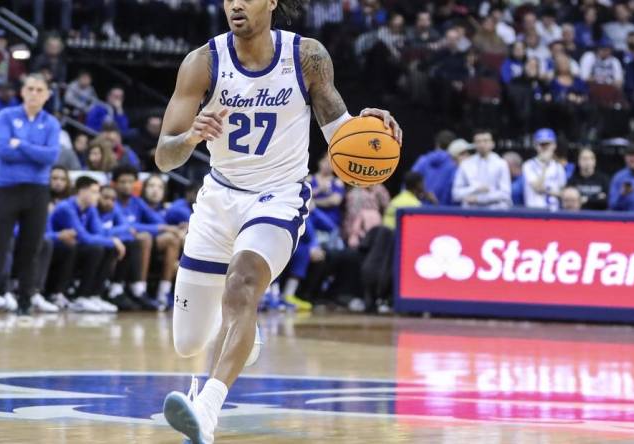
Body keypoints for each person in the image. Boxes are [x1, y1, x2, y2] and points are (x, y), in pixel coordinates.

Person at [155, 1, 402, 442]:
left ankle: (207, 410)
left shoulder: (307, 56)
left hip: (279, 196)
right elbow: (164, 156)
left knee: (242, 283)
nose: (235, 4)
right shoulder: (202, 62)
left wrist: (368, 130)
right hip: (218, 199)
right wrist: (192, 134)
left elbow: (339, 132)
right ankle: (245, 333)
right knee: (188, 342)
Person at [0, 74, 61, 316]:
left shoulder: (52, 123)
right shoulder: (6, 116)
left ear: (47, 95)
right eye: (30, 88)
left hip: (37, 191)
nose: (34, 93)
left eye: (39, 90)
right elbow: (2, 149)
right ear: (22, 92)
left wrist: (21, 145)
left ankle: (25, 301)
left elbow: (51, 157)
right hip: (5, 188)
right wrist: (34, 151)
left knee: (31, 248)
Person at [47, 176, 125, 313]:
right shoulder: (66, 208)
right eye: (94, 192)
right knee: (97, 249)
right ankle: (78, 296)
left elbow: (99, 233)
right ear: (82, 191)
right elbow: (83, 238)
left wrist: (112, 242)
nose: (98, 196)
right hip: (56, 249)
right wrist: (113, 241)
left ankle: (94, 295)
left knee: (108, 249)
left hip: (75, 248)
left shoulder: (90, 209)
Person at [112, 165, 182, 310]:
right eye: (123, 182)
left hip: (139, 242)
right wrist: (160, 228)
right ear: (115, 184)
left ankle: (163, 293)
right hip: (118, 240)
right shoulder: (111, 200)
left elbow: (158, 222)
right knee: (144, 237)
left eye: (130, 182)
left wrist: (172, 229)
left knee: (171, 238)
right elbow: (128, 226)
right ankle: (139, 288)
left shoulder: (136, 201)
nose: (127, 186)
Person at [451, 130, 511, 209]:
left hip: (496, 211)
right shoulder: (466, 164)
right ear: (474, 144)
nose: (482, 144)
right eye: (478, 141)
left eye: (485, 141)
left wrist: (479, 199)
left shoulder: (501, 164)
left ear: (492, 144)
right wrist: (475, 189)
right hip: (471, 212)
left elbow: (505, 194)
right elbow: (455, 194)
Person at [523, 128, 567, 211]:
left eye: (548, 144)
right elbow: (538, 187)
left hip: (555, 212)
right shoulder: (528, 165)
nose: (545, 147)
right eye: (542, 144)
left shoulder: (558, 167)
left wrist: (546, 190)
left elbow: (563, 193)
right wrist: (545, 165)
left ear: (554, 145)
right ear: (536, 146)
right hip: (534, 211)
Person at [411, 129, 457, 205]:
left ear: (437, 144)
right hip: (447, 212)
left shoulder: (422, 160)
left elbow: (409, 184)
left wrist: (422, 195)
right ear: (453, 145)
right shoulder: (455, 164)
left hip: (419, 211)